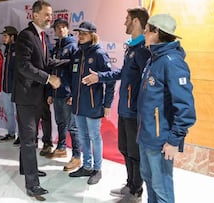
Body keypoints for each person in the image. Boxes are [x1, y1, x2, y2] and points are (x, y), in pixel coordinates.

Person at [82, 8, 150, 202]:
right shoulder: (132, 48)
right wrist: (99, 77)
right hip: (125, 110)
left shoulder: (143, 50)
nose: (124, 23)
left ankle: (136, 190)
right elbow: (121, 73)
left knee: (134, 153)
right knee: (125, 149)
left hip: (134, 111)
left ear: (136, 22)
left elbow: (148, 82)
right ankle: (130, 184)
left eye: (127, 19)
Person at [137, 14, 196, 203]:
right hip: (146, 136)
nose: (144, 32)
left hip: (161, 140)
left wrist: (174, 141)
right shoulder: (153, 59)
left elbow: (185, 108)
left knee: (162, 188)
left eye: (147, 28)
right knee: (149, 180)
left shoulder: (172, 62)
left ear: (156, 32)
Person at [11, 0, 61, 198]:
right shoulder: (25, 36)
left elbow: (46, 62)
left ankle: (26, 169)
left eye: (51, 14)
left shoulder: (42, 36)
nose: (50, 18)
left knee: (29, 138)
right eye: (47, 14)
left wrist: (71, 59)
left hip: (37, 96)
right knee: (29, 140)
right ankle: (32, 184)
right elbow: (23, 66)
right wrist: (49, 78)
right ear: (35, 15)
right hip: (26, 97)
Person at [68, 21, 116, 185]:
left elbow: (110, 80)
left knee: (95, 137)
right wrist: (71, 95)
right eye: (79, 33)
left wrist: (107, 104)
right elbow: (73, 78)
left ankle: (97, 169)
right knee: (83, 136)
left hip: (94, 105)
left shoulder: (99, 54)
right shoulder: (77, 53)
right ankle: (87, 166)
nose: (80, 36)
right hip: (78, 105)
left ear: (92, 35)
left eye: (84, 33)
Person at [46, 18, 81, 171]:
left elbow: (76, 73)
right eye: (57, 28)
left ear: (68, 29)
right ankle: (61, 147)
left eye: (63, 27)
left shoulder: (73, 46)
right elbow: (51, 71)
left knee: (72, 127)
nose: (60, 30)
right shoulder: (55, 48)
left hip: (67, 93)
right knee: (60, 122)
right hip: (56, 92)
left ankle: (77, 157)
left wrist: (74, 93)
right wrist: (50, 92)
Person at [0, 26, 19, 142]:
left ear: (12, 37)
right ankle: (11, 133)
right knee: (9, 112)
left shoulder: (18, 49)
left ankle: (19, 135)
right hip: (5, 87)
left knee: (17, 114)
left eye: (6, 36)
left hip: (15, 88)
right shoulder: (6, 49)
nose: (4, 38)